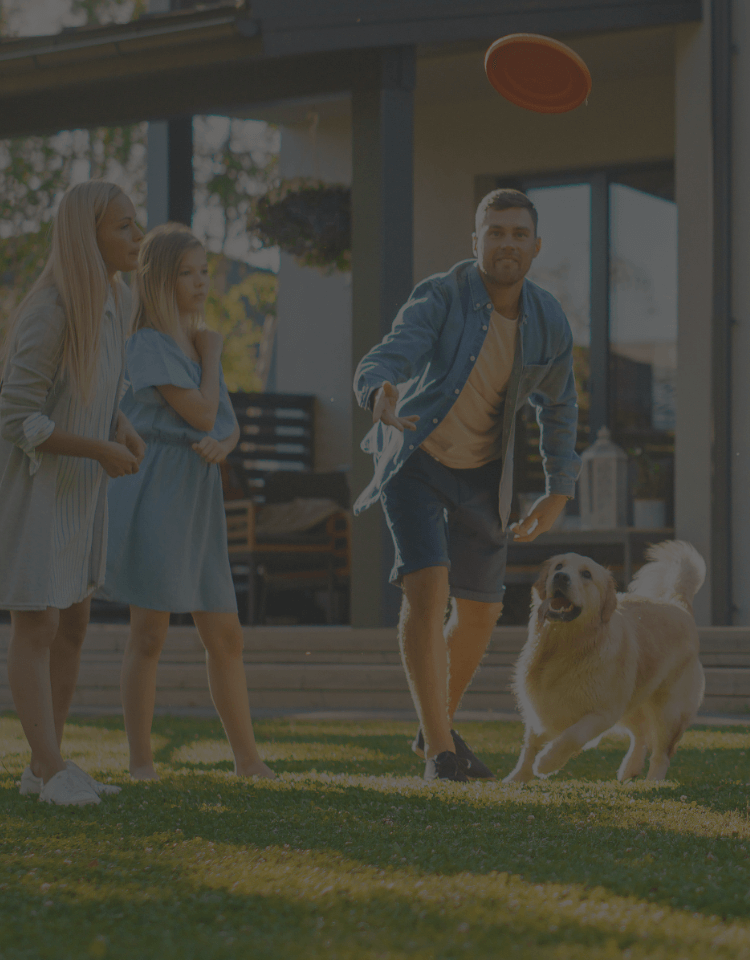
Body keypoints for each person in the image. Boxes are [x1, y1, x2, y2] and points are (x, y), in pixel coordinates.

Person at [353, 188, 581, 781]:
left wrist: (559, 488)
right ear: (475, 241)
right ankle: (439, 753)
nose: (506, 242)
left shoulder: (549, 318)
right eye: (495, 231)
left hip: (485, 474)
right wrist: (378, 390)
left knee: (480, 615)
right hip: (417, 458)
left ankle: (435, 727)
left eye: (517, 233)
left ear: (535, 246)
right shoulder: (442, 295)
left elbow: (559, 408)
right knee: (427, 590)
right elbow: (391, 354)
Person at [100, 222, 274, 782]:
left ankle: (249, 761)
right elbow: (199, 412)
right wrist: (214, 351)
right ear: (159, 280)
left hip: (201, 495)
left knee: (225, 635)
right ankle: (141, 762)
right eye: (188, 274)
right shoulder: (149, 343)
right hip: (156, 489)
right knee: (148, 631)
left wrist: (225, 445)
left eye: (204, 272)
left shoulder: (194, 342)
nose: (201, 283)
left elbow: (222, 426)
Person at [0, 179, 146, 805]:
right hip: (38, 493)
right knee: (36, 625)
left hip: (82, 496)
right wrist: (98, 450)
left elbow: (99, 394)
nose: (138, 237)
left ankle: (43, 766)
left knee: (75, 625)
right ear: (88, 238)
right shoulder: (51, 310)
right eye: (125, 228)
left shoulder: (119, 302)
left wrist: (121, 427)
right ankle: (52, 768)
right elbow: (14, 416)